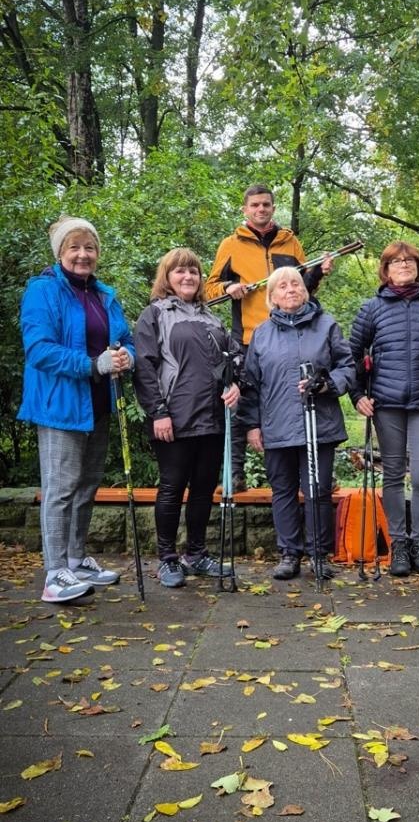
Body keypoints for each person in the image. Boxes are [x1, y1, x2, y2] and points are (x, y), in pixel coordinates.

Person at [18, 216, 135, 603]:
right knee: (61, 489)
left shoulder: (104, 295)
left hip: (98, 405)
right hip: (60, 407)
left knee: (86, 487)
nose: (83, 254)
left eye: (90, 247)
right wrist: (91, 365)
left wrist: (126, 357)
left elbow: (125, 339)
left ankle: (75, 559)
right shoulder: (43, 291)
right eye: (75, 247)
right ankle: (55, 575)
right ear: (60, 253)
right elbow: (39, 350)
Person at [204, 184, 333, 491]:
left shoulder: (290, 241)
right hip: (249, 337)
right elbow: (208, 290)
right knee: (240, 402)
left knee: (298, 400)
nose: (261, 209)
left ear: (273, 207)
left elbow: (302, 287)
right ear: (245, 210)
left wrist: (318, 272)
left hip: (292, 336)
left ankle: (310, 474)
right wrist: (228, 288)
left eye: (266, 204)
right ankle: (234, 474)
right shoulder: (231, 244)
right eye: (255, 205)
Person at [133, 249, 242, 588]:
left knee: (203, 489)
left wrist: (235, 385)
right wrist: (158, 412)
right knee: (172, 487)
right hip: (174, 417)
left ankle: (196, 554)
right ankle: (167, 559)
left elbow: (232, 359)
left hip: (213, 417)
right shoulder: (154, 314)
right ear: (166, 277)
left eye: (193, 271)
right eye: (180, 271)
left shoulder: (212, 318)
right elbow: (144, 367)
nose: (188, 277)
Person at [350, 242, 419, 578]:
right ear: (385, 269)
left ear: (418, 265)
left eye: (409, 260)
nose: (404, 264)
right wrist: (357, 395)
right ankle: (399, 543)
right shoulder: (372, 308)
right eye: (396, 261)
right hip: (387, 403)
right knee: (394, 474)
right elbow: (351, 355)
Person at [240, 267, 355, 580]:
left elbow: (347, 367)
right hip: (276, 425)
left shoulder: (326, 325)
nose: (290, 289)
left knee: (318, 490)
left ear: (305, 291)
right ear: (272, 297)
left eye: (295, 284)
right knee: (283, 490)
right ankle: (289, 554)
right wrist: (252, 425)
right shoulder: (262, 334)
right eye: (282, 286)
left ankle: (319, 554)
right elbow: (251, 384)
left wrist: (327, 384)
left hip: (320, 425)